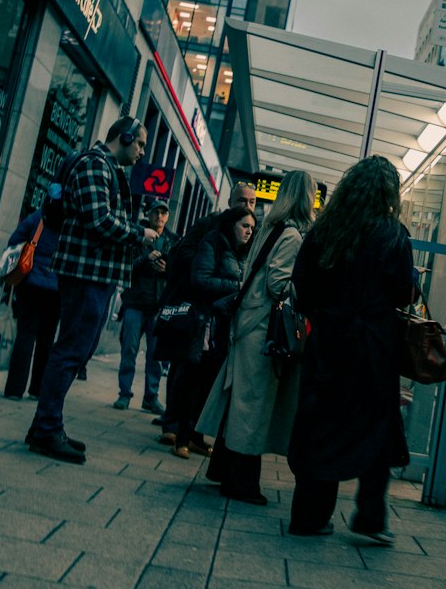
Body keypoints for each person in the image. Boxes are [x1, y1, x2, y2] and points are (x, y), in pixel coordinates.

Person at [287, 155, 415, 544]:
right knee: (376, 428)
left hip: (328, 341)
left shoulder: (326, 229)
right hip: (373, 347)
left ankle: (310, 515)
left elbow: (301, 285)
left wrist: (326, 315)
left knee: (320, 424)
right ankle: (370, 518)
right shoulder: (394, 235)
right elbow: (403, 293)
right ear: (388, 193)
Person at [24, 116, 156, 464]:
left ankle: (45, 426)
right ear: (124, 137)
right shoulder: (95, 165)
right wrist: (138, 233)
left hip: (95, 272)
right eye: (140, 143)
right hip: (86, 272)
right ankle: (47, 430)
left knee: (76, 350)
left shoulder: (104, 167)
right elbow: (98, 220)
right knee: (70, 350)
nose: (142, 152)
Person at [200, 170, 316, 505]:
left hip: (246, 320)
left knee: (238, 402)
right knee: (253, 407)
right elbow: (278, 283)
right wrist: (303, 288)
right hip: (263, 327)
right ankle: (241, 483)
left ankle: (222, 471)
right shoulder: (292, 235)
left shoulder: (268, 226)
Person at [155, 179, 256, 440]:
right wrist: (213, 271)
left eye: (252, 202)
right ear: (231, 202)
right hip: (195, 307)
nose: (247, 205)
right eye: (243, 200)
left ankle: (187, 427)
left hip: (216, 314)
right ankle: (173, 424)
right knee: (184, 366)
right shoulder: (211, 227)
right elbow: (188, 257)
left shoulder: (246, 233)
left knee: (197, 370)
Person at [113, 198, 176, 413]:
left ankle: (151, 396)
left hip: (158, 306)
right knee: (128, 349)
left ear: (168, 217)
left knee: (155, 355)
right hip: (135, 302)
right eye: (156, 213)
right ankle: (124, 393)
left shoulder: (173, 241)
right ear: (148, 214)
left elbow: (177, 272)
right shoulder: (137, 235)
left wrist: (165, 269)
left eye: (164, 213)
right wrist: (145, 260)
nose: (160, 217)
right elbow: (125, 265)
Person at [3, 203, 60, 400]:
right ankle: (37, 389)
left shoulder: (38, 218)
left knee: (25, 335)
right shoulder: (72, 223)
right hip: (56, 290)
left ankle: (14, 389)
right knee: (46, 340)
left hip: (30, 283)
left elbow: (14, 242)